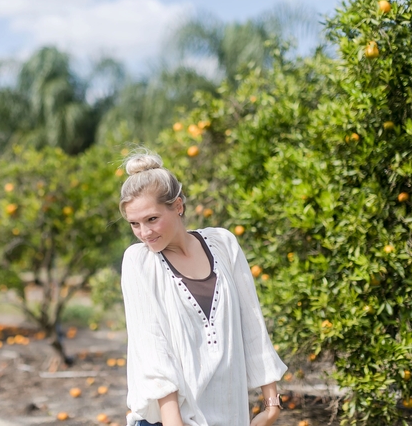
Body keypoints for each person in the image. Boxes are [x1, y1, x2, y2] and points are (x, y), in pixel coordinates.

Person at [119, 150, 287, 426]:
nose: (144, 233)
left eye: (151, 219)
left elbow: (252, 322)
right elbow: (152, 348)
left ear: (178, 206)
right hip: (170, 420)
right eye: (134, 224)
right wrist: (174, 422)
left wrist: (271, 404)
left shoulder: (223, 244)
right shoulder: (139, 262)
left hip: (231, 415)